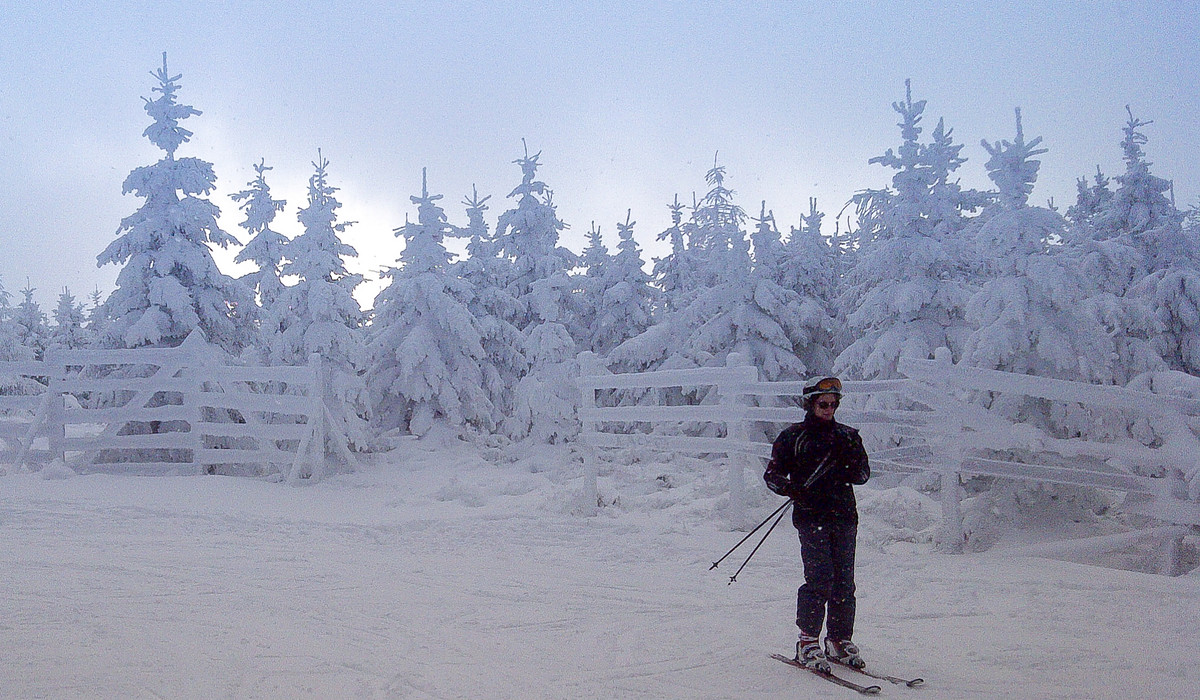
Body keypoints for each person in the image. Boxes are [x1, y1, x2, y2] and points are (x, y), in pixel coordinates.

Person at [763, 375, 870, 673]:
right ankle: (807, 641)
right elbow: (772, 476)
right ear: (810, 404)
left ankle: (838, 639)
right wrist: (791, 488)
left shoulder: (848, 436)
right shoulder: (793, 437)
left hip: (844, 517)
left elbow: (863, 475)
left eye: (833, 404)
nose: (829, 409)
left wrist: (849, 462)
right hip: (812, 518)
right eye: (823, 404)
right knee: (819, 579)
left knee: (844, 581)